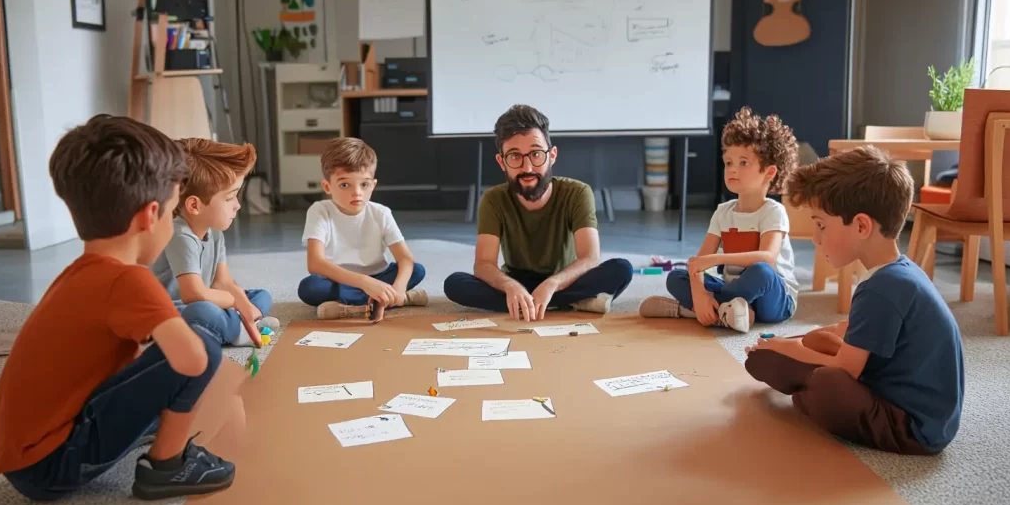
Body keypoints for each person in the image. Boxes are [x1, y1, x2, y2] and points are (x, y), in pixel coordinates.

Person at [0, 115, 244, 501]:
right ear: (149, 216)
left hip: (25, 457)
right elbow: (192, 361)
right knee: (203, 345)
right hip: (51, 465)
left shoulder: (79, 274)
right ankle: (167, 466)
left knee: (168, 354)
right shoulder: (130, 280)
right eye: (173, 211)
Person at [744, 146, 964, 455]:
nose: (817, 239)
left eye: (821, 225)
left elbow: (846, 370)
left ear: (861, 226)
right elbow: (850, 329)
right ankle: (798, 375)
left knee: (824, 383)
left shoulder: (883, 287)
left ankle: (804, 390)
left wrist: (787, 348)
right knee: (799, 347)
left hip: (913, 427)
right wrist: (803, 341)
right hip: (897, 390)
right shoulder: (895, 272)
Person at [444, 104, 633, 321]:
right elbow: (484, 264)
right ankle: (568, 302)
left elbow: (589, 258)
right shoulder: (493, 199)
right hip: (517, 281)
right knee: (455, 283)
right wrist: (509, 286)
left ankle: (534, 304)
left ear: (551, 155)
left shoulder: (578, 192)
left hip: (565, 280)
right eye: (515, 156)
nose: (528, 167)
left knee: (621, 269)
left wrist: (553, 283)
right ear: (501, 162)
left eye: (535, 154)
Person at [639, 107, 800, 333]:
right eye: (728, 163)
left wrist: (714, 260)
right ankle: (726, 311)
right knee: (676, 277)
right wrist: (698, 290)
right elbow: (698, 263)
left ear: (769, 172)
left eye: (743, 163)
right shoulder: (723, 212)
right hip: (735, 291)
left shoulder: (774, 211)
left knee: (761, 271)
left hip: (773, 300)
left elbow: (768, 258)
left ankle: (693, 310)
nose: (732, 169)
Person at [152, 139, 278, 347]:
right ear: (194, 205)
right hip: (174, 309)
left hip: (208, 299)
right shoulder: (180, 235)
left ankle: (234, 322)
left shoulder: (214, 232)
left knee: (261, 296)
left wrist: (244, 304)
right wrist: (232, 302)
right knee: (204, 312)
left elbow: (223, 281)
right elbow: (193, 294)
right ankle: (236, 329)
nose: (237, 205)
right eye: (230, 198)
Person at [297, 137, 427, 321]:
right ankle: (393, 300)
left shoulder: (381, 212)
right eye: (344, 185)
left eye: (364, 184)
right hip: (341, 279)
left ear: (373, 185)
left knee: (417, 270)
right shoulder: (319, 211)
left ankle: (356, 305)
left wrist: (398, 287)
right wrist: (365, 283)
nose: (356, 192)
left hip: (379, 275)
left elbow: (405, 259)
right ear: (328, 186)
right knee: (310, 287)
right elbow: (315, 263)